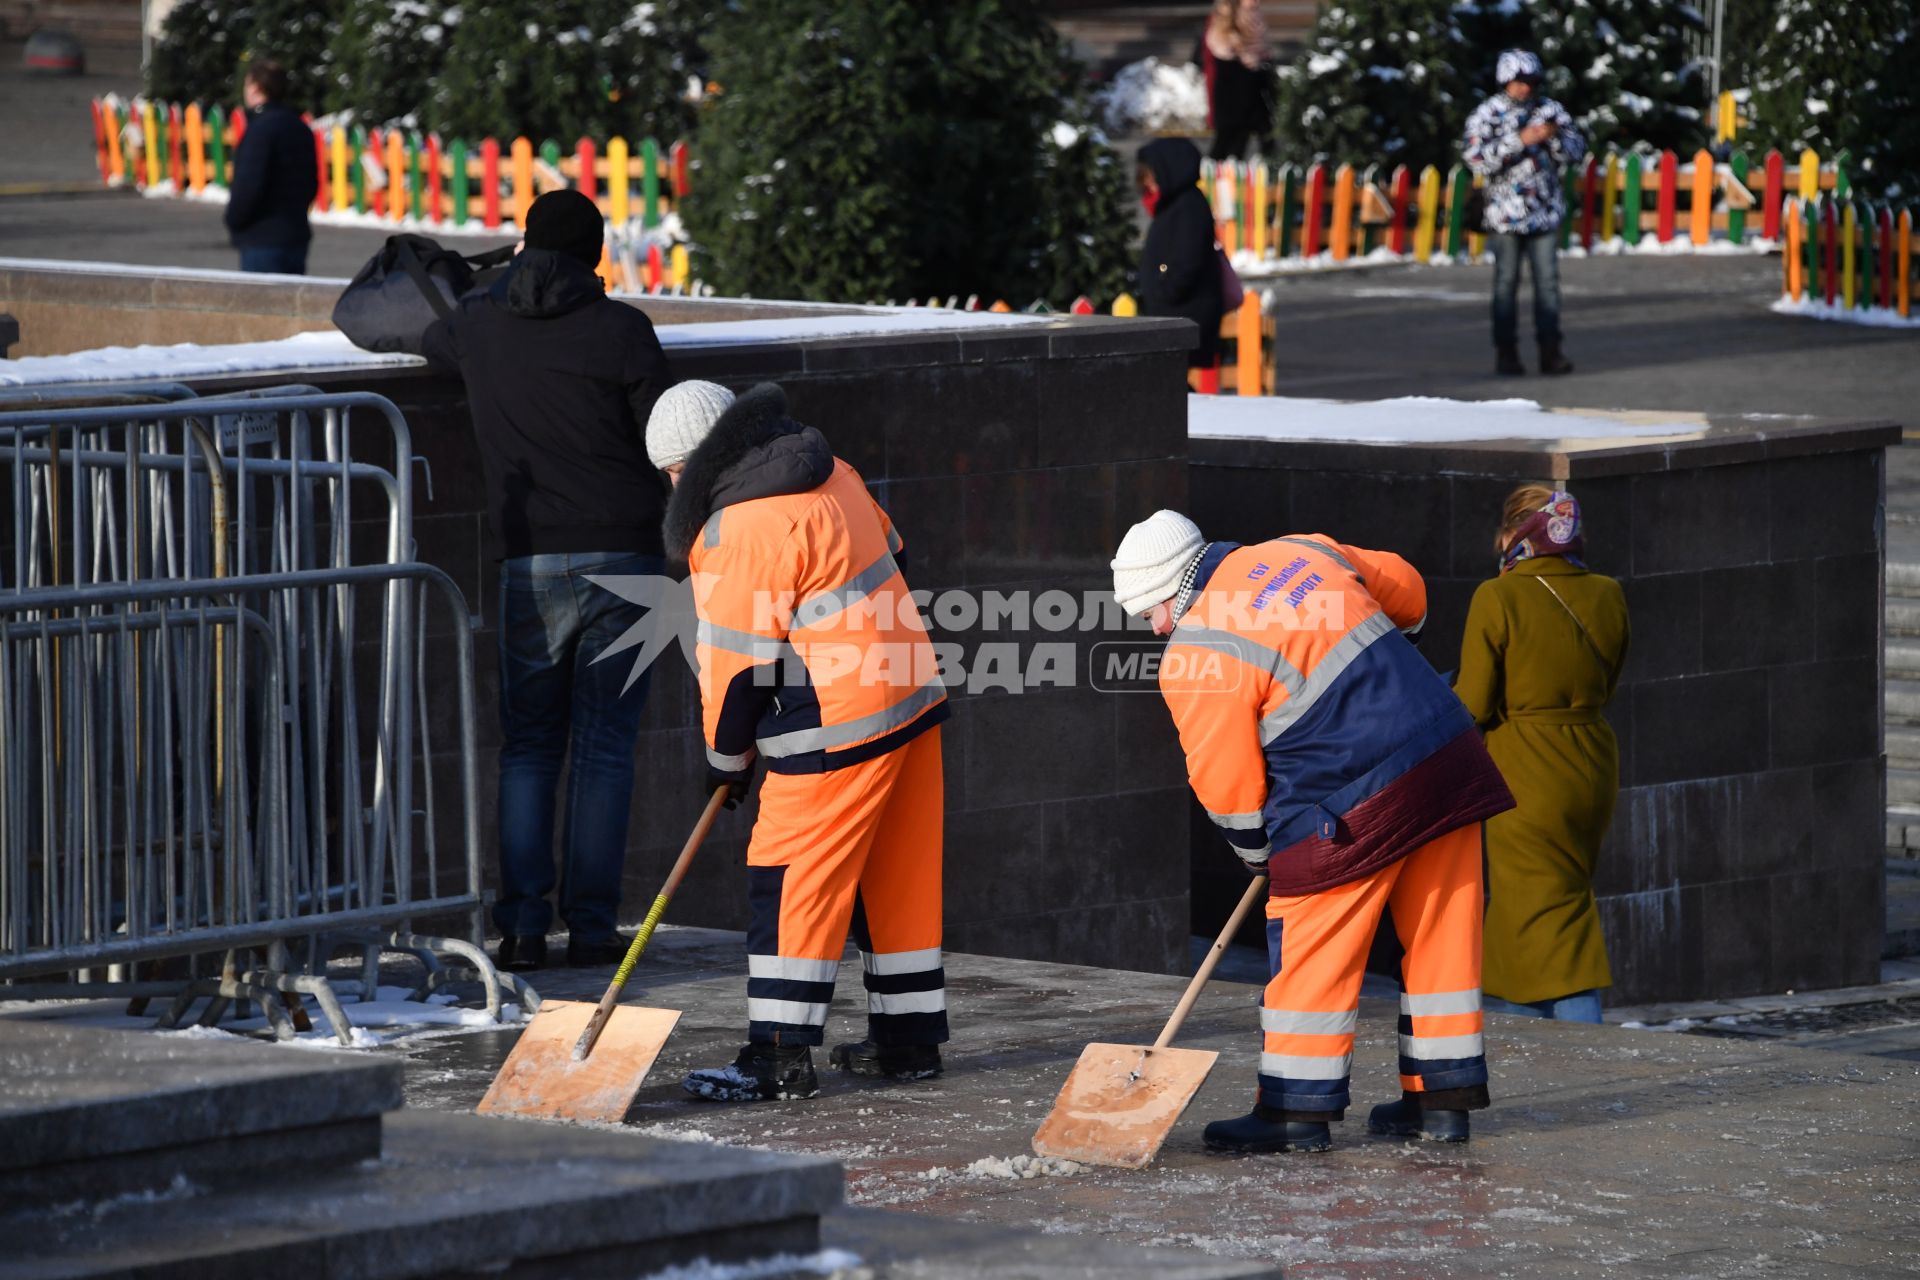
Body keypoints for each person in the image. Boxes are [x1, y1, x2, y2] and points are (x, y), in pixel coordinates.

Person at [1111, 511, 1514, 1153]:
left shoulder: (1197, 652)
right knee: (1443, 939)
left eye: (1151, 611)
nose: (1155, 628)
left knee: (1311, 953)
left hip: (1348, 806)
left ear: (1177, 585)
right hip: (1445, 760)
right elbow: (1408, 590)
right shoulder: (1305, 550)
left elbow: (1226, 783)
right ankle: (1441, 1106)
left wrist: (1260, 855)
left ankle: (1295, 1113)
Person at [649, 380, 950, 1104]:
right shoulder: (830, 469)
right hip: (910, 694)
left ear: (688, 465)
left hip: (833, 724)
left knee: (788, 879)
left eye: (669, 473)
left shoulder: (734, 529)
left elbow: (736, 666)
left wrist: (727, 760)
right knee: (896, 878)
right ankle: (908, 1044)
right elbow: (897, 559)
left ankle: (776, 1057)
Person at [422, 189, 674, 972]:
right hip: (627, 559)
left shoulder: (477, 324)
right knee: (604, 748)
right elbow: (666, 431)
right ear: (595, 255)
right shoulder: (623, 330)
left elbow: (412, 328)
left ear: (526, 244)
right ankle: (593, 930)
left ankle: (523, 929)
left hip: (530, 559)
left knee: (529, 747)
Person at [1454, 486, 1629, 1024]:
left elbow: (1474, 703)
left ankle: (1582, 1043)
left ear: (1515, 536)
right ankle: (1530, 1038)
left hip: (1525, 765)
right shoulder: (1607, 593)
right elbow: (1611, 681)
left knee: (1546, 915)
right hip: (1591, 759)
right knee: (1541, 906)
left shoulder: (1499, 596)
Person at [1462, 49, 1587, 377]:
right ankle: (1506, 353)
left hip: (1544, 213)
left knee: (1547, 285)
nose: (1525, 89)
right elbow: (1476, 159)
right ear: (1506, 81)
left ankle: (1551, 351)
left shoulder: (1550, 111)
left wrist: (1554, 137)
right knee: (1505, 284)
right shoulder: (1487, 114)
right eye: (1519, 82)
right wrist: (1519, 140)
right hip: (1504, 215)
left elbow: (1576, 153)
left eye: (1531, 82)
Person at [1136, 138, 1224, 387]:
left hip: (1185, 311)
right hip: (1177, 311)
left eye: (1151, 176)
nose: (1148, 184)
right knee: (1168, 382)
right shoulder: (1176, 204)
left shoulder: (1188, 207)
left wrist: (1165, 288)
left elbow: (1186, 260)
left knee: (1168, 384)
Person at [223, 59, 318, 275]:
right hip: (295, 231)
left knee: (262, 303)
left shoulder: (259, 130)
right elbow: (311, 182)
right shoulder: (299, 127)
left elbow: (248, 185)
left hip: (262, 236)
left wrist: (234, 220)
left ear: (256, 87)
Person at [1200, 0, 1273, 160]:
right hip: (1232, 91)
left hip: (1252, 89)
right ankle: (1211, 177)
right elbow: (1219, 48)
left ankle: (1267, 170)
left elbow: (1263, 51)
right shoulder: (1226, 16)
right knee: (1227, 139)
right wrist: (1243, 53)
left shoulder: (1254, 17)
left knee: (1256, 136)